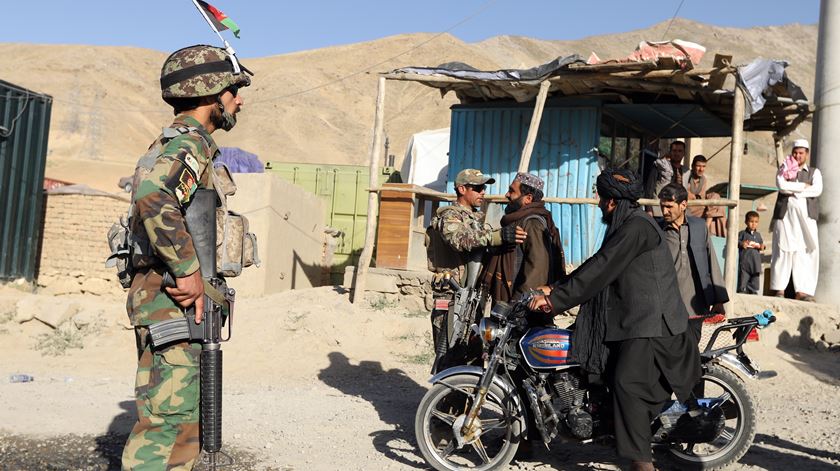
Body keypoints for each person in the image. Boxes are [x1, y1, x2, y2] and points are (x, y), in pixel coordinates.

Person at [121, 44, 251, 470]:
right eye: (234, 91)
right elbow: (153, 195)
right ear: (213, 93)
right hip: (173, 299)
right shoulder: (190, 144)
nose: (239, 100)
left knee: (182, 429)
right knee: (166, 429)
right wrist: (189, 271)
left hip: (174, 302)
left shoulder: (183, 143)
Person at [529, 169, 700, 471]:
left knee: (627, 384)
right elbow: (598, 262)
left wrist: (554, 301)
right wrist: (556, 287)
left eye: (600, 199)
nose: (597, 204)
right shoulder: (627, 225)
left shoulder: (637, 227)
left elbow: (602, 268)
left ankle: (641, 463)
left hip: (652, 324)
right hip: (636, 319)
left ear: (611, 202)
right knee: (604, 376)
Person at [426, 168, 526, 371]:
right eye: (478, 188)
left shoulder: (475, 218)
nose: (483, 192)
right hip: (452, 298)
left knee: (472, 354)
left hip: (472, 298)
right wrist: (497, 237)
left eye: (484, 188)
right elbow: (460, 240)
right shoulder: (450, 216)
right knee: (449, 355)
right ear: (462, 189)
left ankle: (462, 400)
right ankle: (441, 401)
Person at [481, 173, 566, 324]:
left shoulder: (532, 224)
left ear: (528, 198)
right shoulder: (518, 221)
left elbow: (537, 269)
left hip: (522, 313)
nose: (507, 195)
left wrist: (516, 305)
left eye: (512, 191)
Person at [657, 183, 729, 343]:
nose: (664, 211)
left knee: (695, 347)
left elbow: (712, 261)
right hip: (667, 302)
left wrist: (719, 300)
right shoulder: (657, 230)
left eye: (669, 206)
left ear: (683, 205)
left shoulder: (699, 226)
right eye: (662, 206)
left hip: (697, 302)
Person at [770, 139, 822, 302]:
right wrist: (803, 187)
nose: (798, 156)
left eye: (801, 153)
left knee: (806, 252)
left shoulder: (815, 172)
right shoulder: (784, 167)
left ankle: (803, 291)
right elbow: (781, 185)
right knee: (782, 250)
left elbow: (817, 189)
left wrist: (794, 191)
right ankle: (779, 289)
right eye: (795, 152)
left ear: (806, 154)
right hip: (785, 217)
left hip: (806, 220)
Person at [644, 140, 686, 216]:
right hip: (659, 211)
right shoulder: (660, 166)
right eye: (674, 151)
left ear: (684, 153)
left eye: (680, 151)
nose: (677, 153)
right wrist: (649, 209)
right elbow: (649, 188)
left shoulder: (686, 171)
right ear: (670, 152)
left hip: (677, 212)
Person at [738, 211, 765, 295]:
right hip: (745, 261)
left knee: (755, 278)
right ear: (746, 222)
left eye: (756, 222)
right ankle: (742, 290)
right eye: (751, 221)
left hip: (755, 261)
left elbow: (762, 245)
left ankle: (753, 291)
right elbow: (736, 241)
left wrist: (762, 247)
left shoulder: (758, 235)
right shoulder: (742, 233)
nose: (754, 224)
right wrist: (742, 244)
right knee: (743, 277)